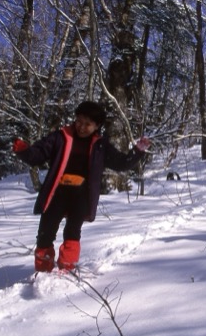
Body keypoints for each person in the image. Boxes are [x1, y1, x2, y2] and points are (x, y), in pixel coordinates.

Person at [12, 101, 150, 273]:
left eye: (87, 124)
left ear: (97, 126)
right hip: (57, 192)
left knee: (72, 231)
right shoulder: (61, 137)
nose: (81, 127)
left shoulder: (100, 145)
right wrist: (24, 151)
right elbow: (38, 155)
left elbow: (121, 163)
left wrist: (137, 151)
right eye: (79, 121)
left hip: (81, 195)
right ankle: (42, 270)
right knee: (45, 231)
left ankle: (67, 268)